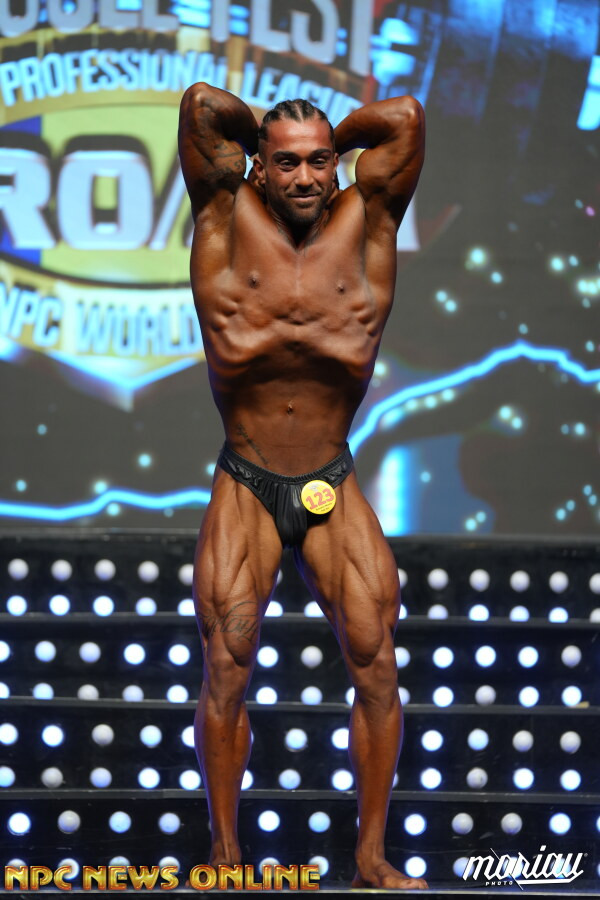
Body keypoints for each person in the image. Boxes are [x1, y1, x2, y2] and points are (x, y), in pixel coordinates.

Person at [178, 82, 426, 891]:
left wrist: (331, 139)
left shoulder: (369, 218)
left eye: (321, 161)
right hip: (246, 476)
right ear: (258, 167)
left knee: (377, 662)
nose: (307, 176)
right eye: (286, 164)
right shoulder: (223, 215)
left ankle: (371, 857)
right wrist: (264, 138)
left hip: (331, 475)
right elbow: (200, 105)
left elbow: (404, 119)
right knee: (226, 666)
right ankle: (224, 857)